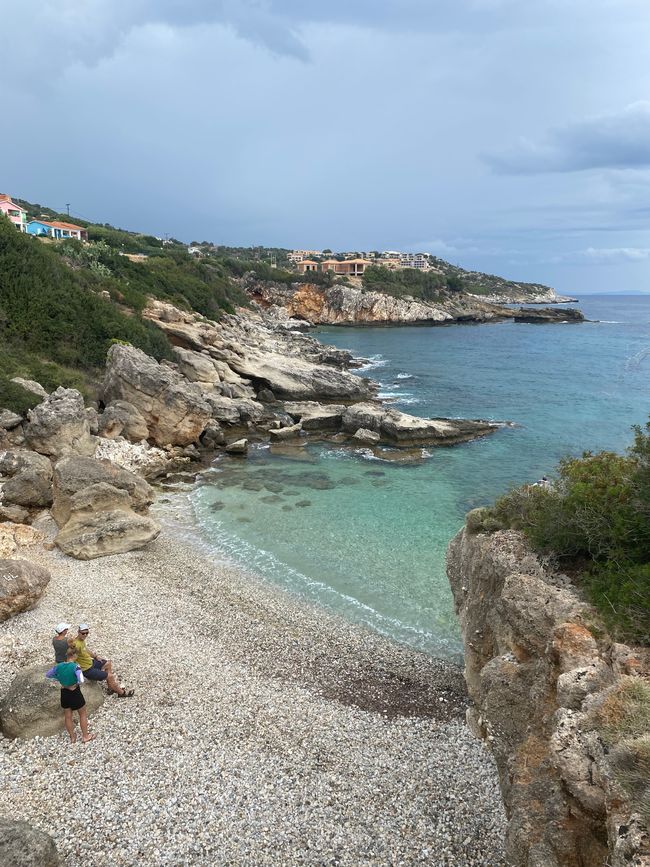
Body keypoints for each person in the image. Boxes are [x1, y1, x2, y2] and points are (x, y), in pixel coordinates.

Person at [45, 645, 95, 744]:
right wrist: (74, 683)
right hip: (74, 692)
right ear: (75, 655)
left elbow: (48, 675)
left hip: (64, 692)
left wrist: (60, 679)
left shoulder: (58, 666)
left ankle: (72, 737)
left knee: (68, 716)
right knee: (82, 714)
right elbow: (81, 679)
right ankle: (85, 736)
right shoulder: (75, 667)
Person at [72, 623, 134, 698]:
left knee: (108, 663)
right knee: (110, 676)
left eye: (87, 633)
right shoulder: (76, 645)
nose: (85, 635)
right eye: (83, 633)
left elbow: (86, 650)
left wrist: (96, 656)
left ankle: (111, 688)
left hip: (90, 663)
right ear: (78, 632)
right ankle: (121, 693)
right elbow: (72, 657)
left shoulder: (81, 641)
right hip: (86, 670)